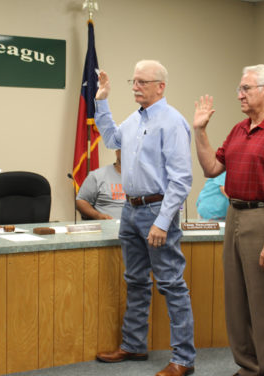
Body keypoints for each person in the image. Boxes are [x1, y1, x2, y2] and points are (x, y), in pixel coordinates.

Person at [193, 64, 264, 376]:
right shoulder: (240, 129)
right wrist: (199, 131)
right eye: (240, 89)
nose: (238, 94)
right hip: (236, 216)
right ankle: (248, 368)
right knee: (237, 300)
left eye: (245, 88)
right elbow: (212, 169)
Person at [93, 60, 195, 376]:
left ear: (159, 86)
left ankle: (183, 359)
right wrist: (102, 100)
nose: (135, 87)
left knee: (171, 284)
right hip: (131, 209)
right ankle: (134, 345)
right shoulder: (135, 120)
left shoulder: (172, 122)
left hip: (156, 209)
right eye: (133, 81)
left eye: (141, 82)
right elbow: (111, 139)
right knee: (135, 281)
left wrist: (163, 221)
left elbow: (181, 178)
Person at [76, 149, 125, 219]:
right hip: (108, 227)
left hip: (136, 227)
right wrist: (97, 215)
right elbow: (80, 201)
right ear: (117, 153)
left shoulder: (141, 178)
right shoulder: (97, 175)